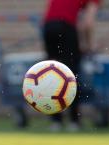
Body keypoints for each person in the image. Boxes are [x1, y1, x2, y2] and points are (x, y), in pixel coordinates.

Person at [42, 0, 100, 131]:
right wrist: (90, 45)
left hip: (48, 27)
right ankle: (74, 121)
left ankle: (55, 121)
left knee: (52, 75)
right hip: (65, 27)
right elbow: (88, 23)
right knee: (71, 76)